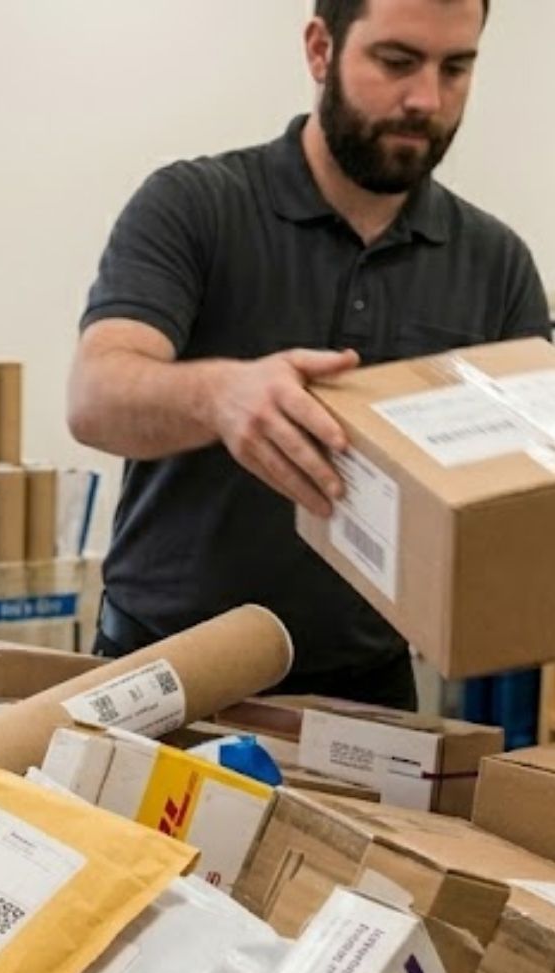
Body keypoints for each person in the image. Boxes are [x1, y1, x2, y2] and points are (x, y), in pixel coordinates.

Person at [68, 0, 550, 709]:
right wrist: (221, 398)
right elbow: (95, 396)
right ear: (321, 49)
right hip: (164, 674)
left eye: (456, 68)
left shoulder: (496, 263)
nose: (426, 98)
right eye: (396, 62)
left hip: (369, 698)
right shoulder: (195, 205)